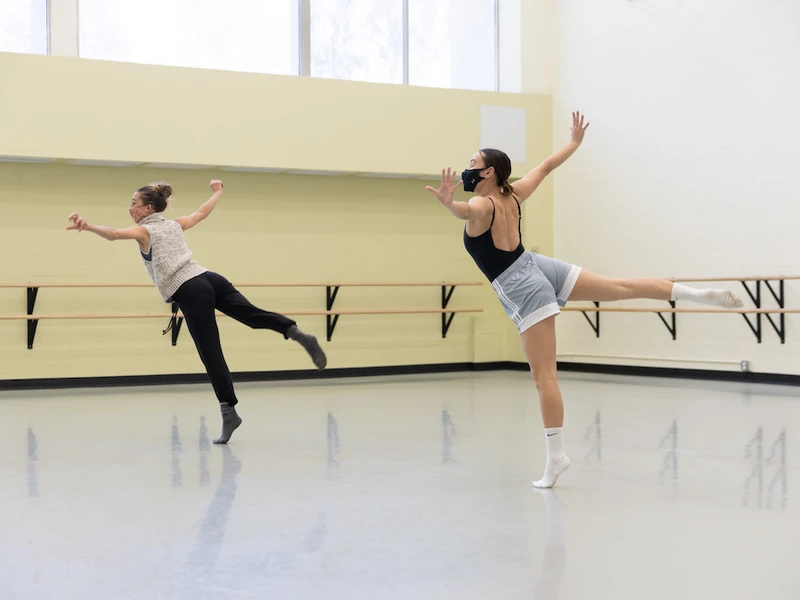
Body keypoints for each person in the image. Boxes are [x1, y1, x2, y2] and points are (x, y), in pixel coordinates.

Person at [426, 112, 742, 488]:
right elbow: (544, 167)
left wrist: (449, 205)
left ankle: (556, 458)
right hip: (536, 265)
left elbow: (467, 210)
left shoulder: (482, 206)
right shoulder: (513, 194)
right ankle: (695, 295)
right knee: (621, 288)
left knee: (545, 377)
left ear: (490, 172)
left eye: (472, 165)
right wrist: (574, 143)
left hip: (523, 284)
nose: (467, 170)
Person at [67, 179, 327, 444]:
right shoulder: (175, 224)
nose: (130, 208)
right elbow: (202, 212)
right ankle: (295, 332)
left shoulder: (144, 232)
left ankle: (229, 412)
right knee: (252, 315)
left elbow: (112, 233)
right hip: (210, 278)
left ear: (147, 209)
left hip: (190, 289)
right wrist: (217, 193)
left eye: (134, 204)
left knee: (211, 352)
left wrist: (87, 226)